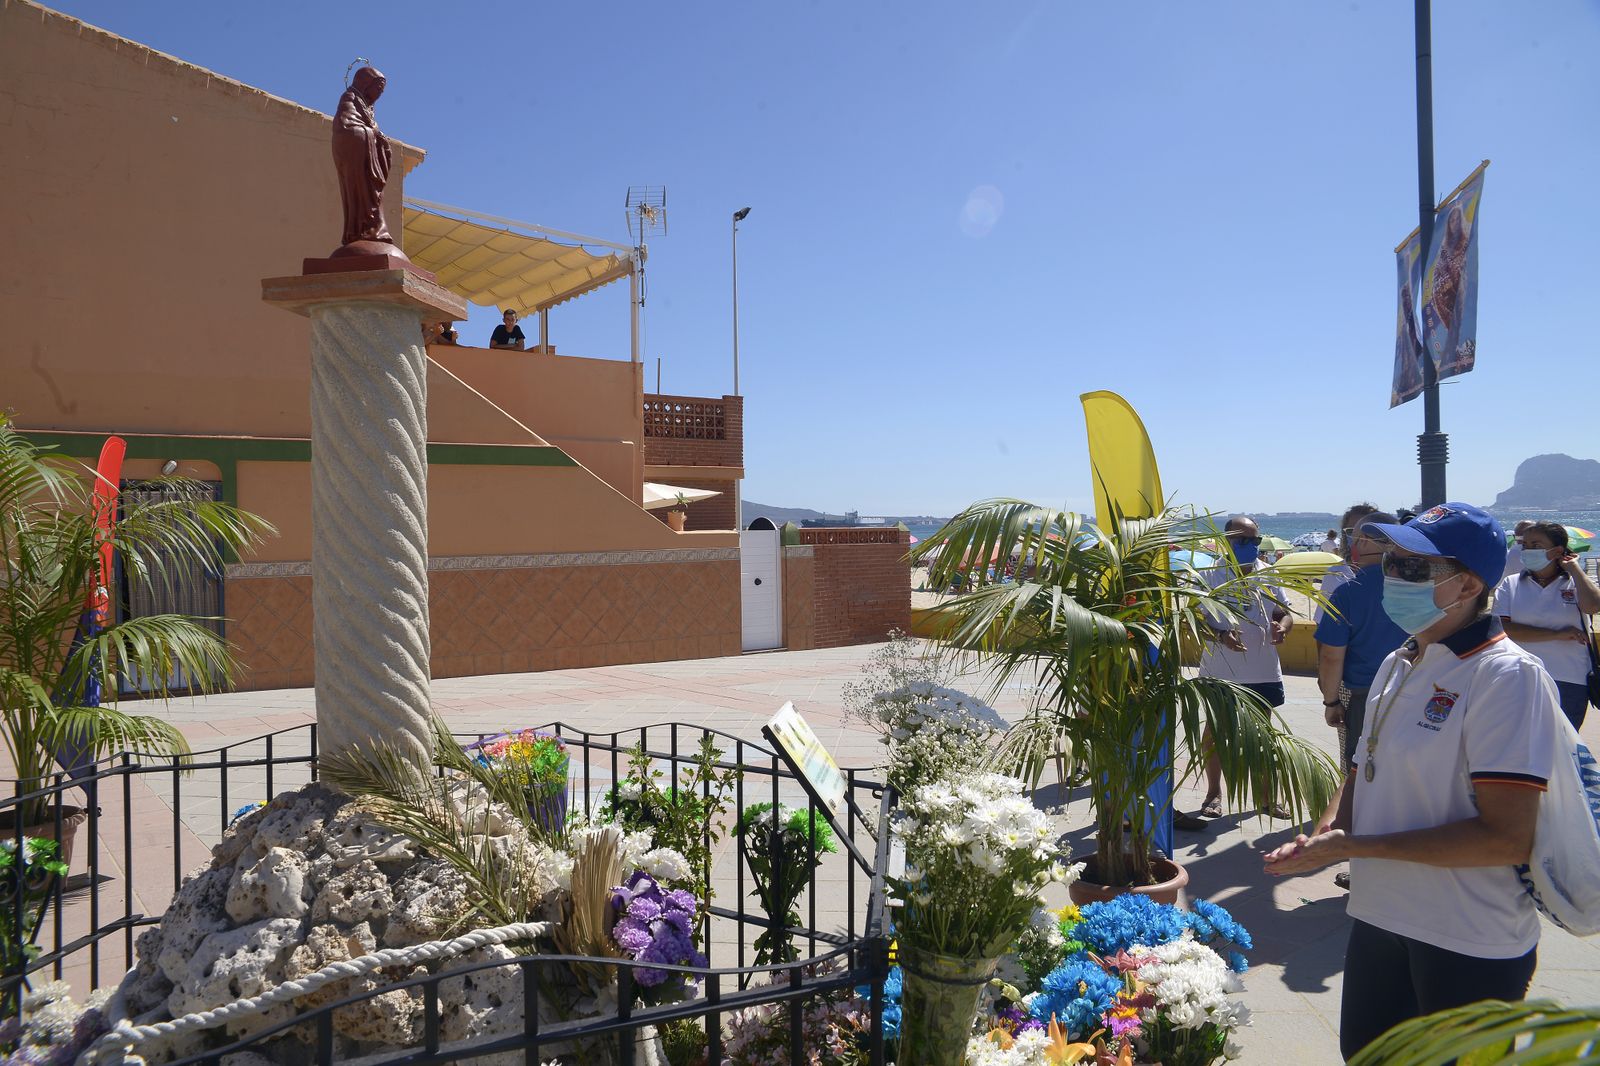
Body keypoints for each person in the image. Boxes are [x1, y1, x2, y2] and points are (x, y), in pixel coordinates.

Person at [1264, 502, 1558, 1060]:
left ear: (1467, 583)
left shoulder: (1506, 677)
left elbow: (1505, 838)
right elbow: (1362, 768)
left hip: (1467, 936)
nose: (1390, 576)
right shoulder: (1399, 662)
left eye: (1412, 567)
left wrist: (1355, 847)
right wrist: (1326, 836)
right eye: (1390, 560)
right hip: (1380, 918)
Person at [1180, 516, 1293, 828]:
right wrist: (1220, 636)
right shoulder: (1208, 575)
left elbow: (1283, 613)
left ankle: (1267, 797)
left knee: (1263, 737)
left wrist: (1280, 628)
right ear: (1225, 541)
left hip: (1264, 671)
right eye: (1244, 541)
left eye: (1255, 541)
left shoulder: (1267, 572)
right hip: (1221, 672)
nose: (1251, 547)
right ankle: (1214, 794)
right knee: (1216, 734)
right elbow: (1195, 620)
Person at [1493, 520, 1600, 730]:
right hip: (1519, 677)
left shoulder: (1575, 582)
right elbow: (1504, 629)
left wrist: (1575, 569)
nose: (1527, 550)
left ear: (1557, 550)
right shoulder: (1511, 584)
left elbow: (1593, 606)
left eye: (1536, 545)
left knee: (1565, 747)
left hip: (1570, 679)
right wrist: (1557, 634)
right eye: (1525, 545)